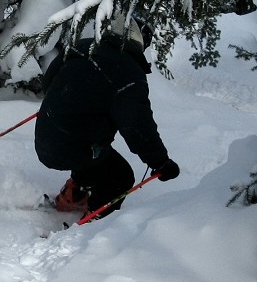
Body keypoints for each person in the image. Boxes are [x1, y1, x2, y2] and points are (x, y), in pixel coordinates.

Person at [34, 14, 180, 219]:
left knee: (94, 150)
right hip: (74, 146)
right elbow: (137, 127)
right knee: (121, 177)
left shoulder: (85, 46)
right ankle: (94, 223)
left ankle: (73, 195)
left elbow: (50, 81)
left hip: (45, 134)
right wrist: (161, 163)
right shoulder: (128, 72)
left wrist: (64, 102)